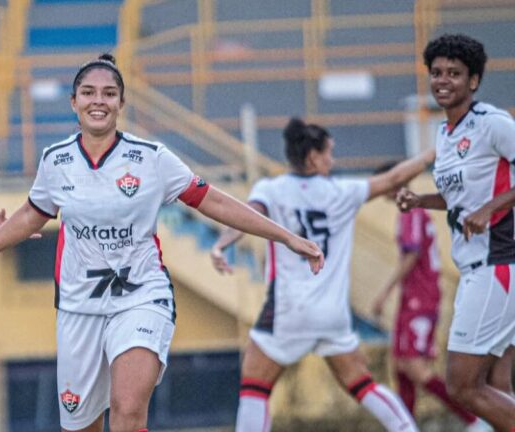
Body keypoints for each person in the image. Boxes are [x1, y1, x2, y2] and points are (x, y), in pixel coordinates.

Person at [0, 53, 324, 432]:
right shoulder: (56, 160)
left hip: (141, 296)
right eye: (88, 93)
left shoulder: (152, 158)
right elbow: (28, 216)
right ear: (74, 102)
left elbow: (214, 201)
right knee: (80, 426)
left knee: (127, 410)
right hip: (78, 308)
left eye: (109, 93)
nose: (98, 101)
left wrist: (287, 237)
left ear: (121, 103)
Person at [210, 118, 437, 432]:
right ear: (313, 157)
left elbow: (245, 218)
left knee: (255, 387)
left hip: (288, 311)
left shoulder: (271, 189)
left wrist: (221, 244)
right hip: (332, 314)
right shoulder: (343, 191)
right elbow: (394, 178)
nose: (332, 159)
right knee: (363, 384)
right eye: (328, 152)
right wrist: (435, 152)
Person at [396, 33, 515, 431]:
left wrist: (490, 209)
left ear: (474, 80)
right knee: (495, 383)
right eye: (436, 72)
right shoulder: (445, 134)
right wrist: (420, 201)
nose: (443, 80)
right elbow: (460, 200)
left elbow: (484, 203)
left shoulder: (492, 123)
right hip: (476, 268)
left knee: (463, 386)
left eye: (454, 73)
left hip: (497, 264)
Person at [371, 162, 486, 431]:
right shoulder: (410, 213)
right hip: (413, 297)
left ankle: (473, 420)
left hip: (421, 298)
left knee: (415, 367)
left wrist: (384, 292)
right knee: (400, 364)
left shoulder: (411, 213)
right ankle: (405, 427)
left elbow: (412, 255)